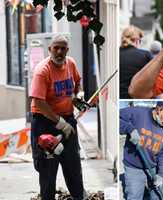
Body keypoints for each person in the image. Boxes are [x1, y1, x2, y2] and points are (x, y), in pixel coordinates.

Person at [30, 35, 84, 200]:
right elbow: (38, 102)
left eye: (63, 48)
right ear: (50, 49)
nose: (59, 52)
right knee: (47, 172)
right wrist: (60, 124)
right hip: (44, 124)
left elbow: (77, 82)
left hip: (68, 119)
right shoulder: (42, 71)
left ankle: (79, 196)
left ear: (67, 50)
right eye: (56, 48)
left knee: (73, 167)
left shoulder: (71, 63)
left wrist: (78, 95)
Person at [120, 101, 163, 200]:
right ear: (159, 109)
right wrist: (129, 129)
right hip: (134, 168)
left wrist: (161, 175)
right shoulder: (138, 113)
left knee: (157, 196)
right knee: (134, 196)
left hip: (153, 168)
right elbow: (116, 118)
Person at [120, 25, 153, 99]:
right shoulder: (145, 55)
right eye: (140, 41)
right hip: (137, 98)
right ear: (137, 40)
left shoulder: (115, 55)